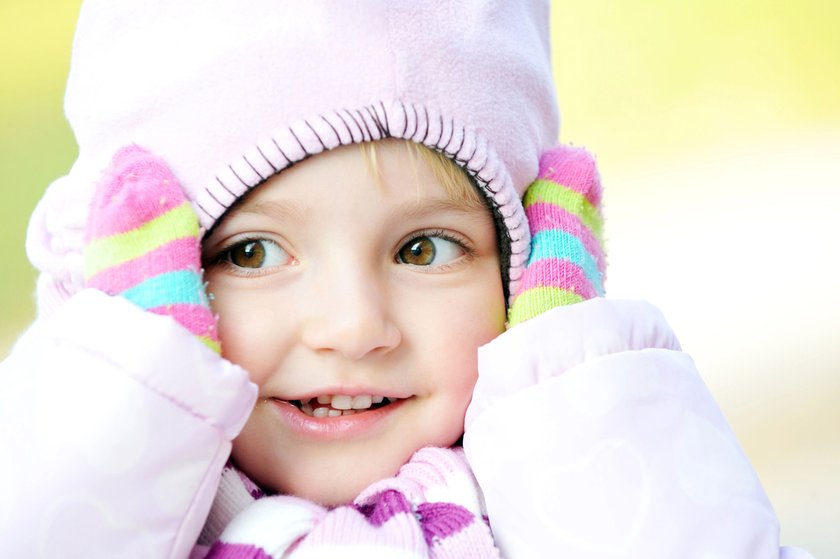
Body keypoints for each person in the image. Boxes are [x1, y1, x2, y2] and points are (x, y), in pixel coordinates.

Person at [0, 1, 814, 557]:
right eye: (250, 253)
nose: (354, 326)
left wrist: (574, 395)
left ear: (525, 272)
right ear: (144, 274)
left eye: (424, 249)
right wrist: (137, 396)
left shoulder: (559, 497)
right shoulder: (91, 501)